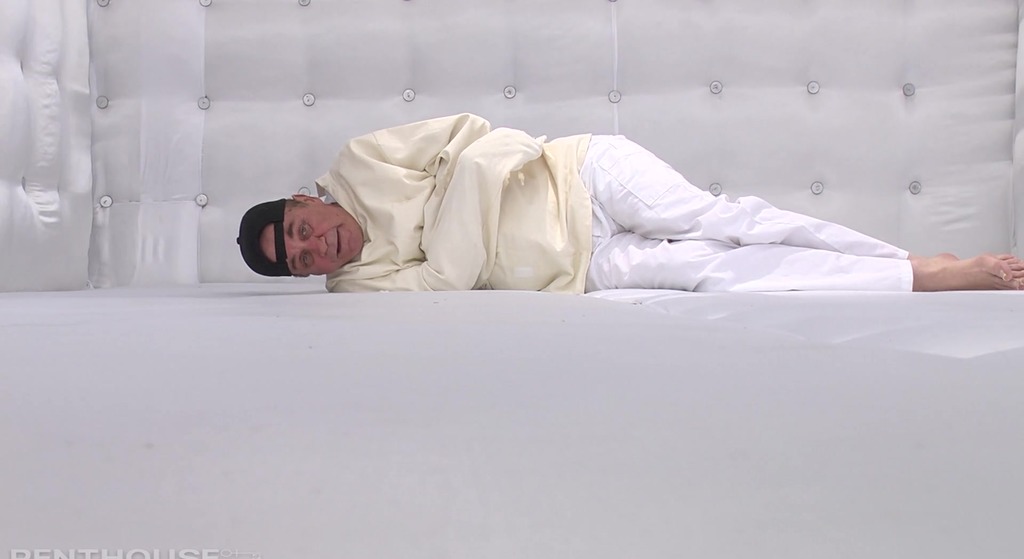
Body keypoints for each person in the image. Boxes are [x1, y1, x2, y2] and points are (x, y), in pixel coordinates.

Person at [236, 113, 1024, 293]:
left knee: (725, 222)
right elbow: (449, 277)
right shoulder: (358, 289)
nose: (314, 247)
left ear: (306, 199)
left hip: (578, 175)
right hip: (579, 270)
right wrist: (464, 197)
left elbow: (487, 141)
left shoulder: (362, 159)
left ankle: (904, 257)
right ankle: (919, 276)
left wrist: (455, 243)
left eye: (301, 229)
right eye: (300, 260)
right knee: (717, 276)